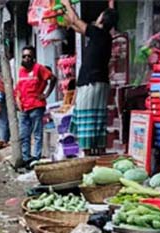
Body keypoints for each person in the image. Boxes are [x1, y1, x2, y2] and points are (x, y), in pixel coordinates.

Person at [62, 0, 118, 156]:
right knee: (96, 120)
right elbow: (76, 25)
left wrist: (67, 5)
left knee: (87, 119)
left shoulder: (99, 33)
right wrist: (66, 17)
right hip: (98, 83)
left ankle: (88, 157)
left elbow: (76, 22)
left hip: (91, 83)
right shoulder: (102, 36)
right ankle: (97, 155)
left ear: (102, 20)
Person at [15, 46, 58, 168]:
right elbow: (19, 88)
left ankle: (36, 157)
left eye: (29, 56)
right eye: (24, 56)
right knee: (24, 135)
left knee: (37, 133)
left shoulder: (39, 68)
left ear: (33, 57)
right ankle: (26, 158)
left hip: (36, 106)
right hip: (24, 108)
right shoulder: (21, 71)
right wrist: (18, 101)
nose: (26, 58)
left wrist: (46, 94)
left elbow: (53, 78)